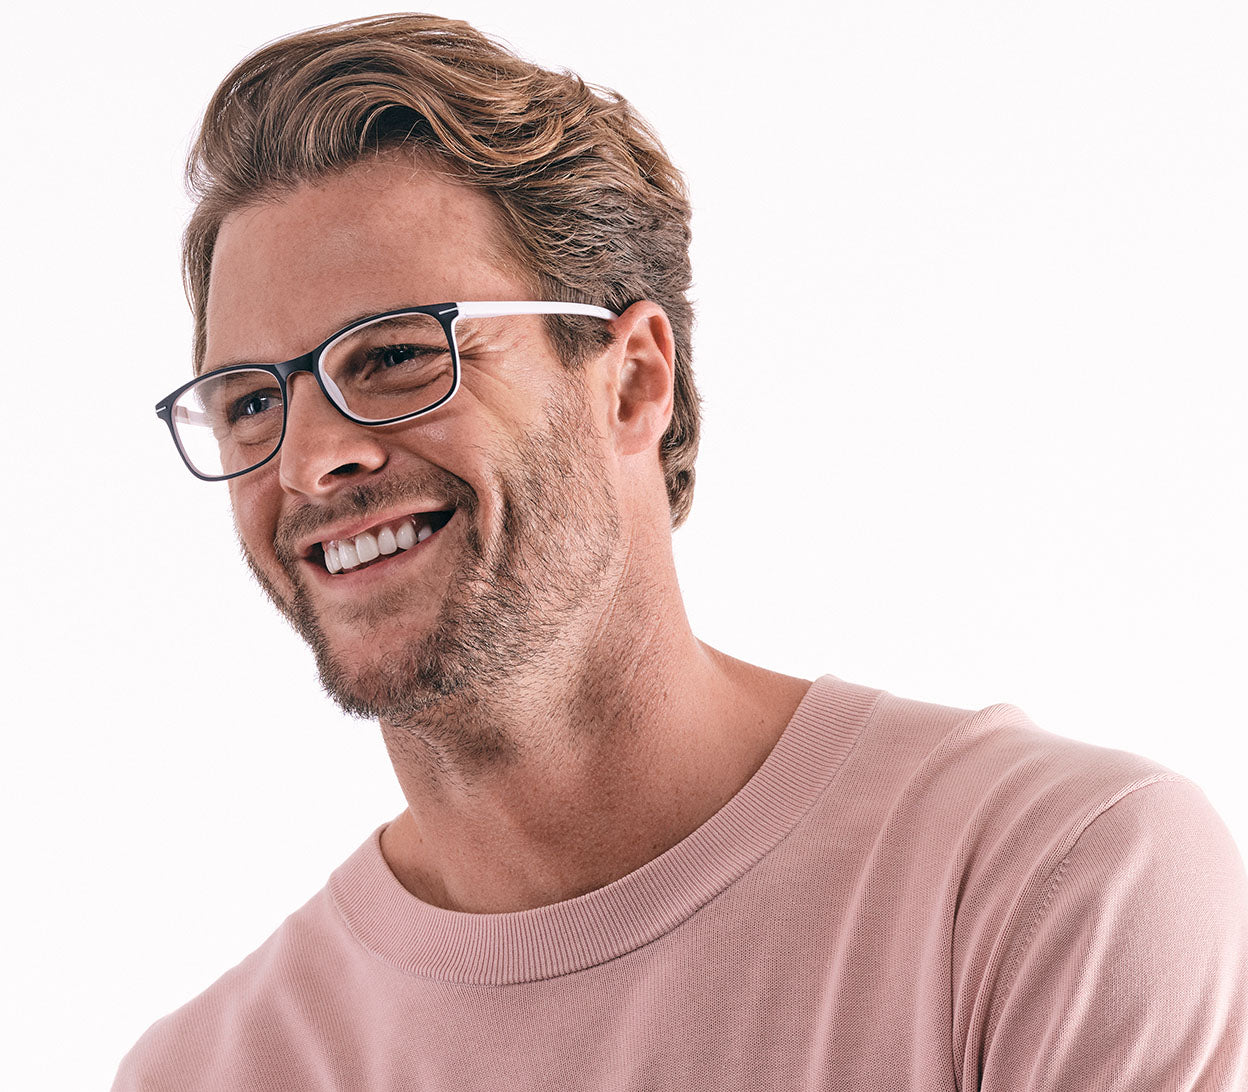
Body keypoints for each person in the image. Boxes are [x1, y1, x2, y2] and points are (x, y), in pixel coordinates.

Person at [114, 13, 1248, 1090]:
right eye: (249, 401)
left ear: (633, 379)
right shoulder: (210, 1071)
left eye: (400, 355)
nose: (310, 462)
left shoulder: (1047, 888)